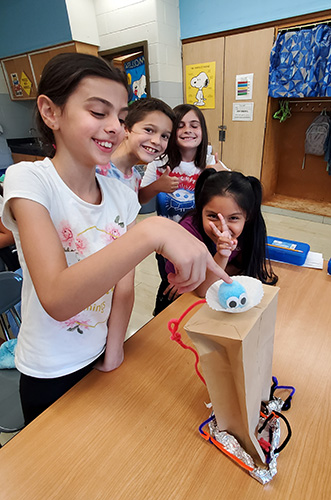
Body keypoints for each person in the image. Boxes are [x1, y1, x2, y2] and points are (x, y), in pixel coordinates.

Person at [2, 53, 230, 424]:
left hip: (100, 353)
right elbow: (58, 298)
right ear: (51, 112)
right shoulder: (28, 180)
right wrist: (151, 231)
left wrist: (114, 349)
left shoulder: (121, 195)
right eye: (98, 112)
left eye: (121, 118)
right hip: (49, 368)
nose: (114, 127)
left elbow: (122, 286)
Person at [154, 168, 278, 314]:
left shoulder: (250, 229)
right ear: (201, 211)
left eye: (233, 218)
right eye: (212, 216)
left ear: (248, 216)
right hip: (180, 300)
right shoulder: (188, 231)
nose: (222, 228)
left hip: (218, 295)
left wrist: (211, 272)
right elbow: (201, 290)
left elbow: (244, 265)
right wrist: (223, 255)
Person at [139, 103, 209, 222]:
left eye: (194, 126)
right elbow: (141, 199)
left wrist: (220, 176)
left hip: (199, 234)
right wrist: (157, 186)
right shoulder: (158, 163)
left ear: (203, 130)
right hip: (168, 233)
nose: (187, 130)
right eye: (180, 126)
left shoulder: (211, 163)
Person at [96, 97, 175, 193]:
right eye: (149, 130)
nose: (157, 141)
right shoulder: (95, 172)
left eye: (164, 136)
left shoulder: (135, 177)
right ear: (126, 129)